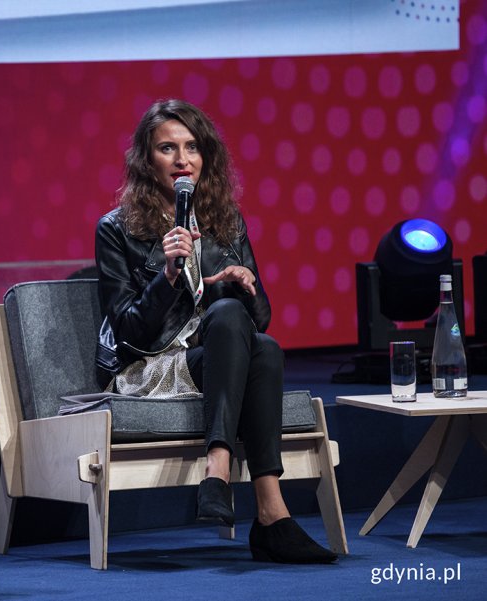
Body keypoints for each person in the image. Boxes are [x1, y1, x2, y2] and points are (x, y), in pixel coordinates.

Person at [94, 99, 337, 564]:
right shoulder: (117, 228)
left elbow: (260, 320)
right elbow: (127, 331)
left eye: (192, 148)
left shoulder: (225, 221)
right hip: (149, 367)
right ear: (148, 160)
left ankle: (228, 479)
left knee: (253, 337)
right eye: (168, 148)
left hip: (215, 357)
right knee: (252, 343)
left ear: (206, 157)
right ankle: (269, 513)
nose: (183, 159)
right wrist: (166, 275)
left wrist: (242, 286)